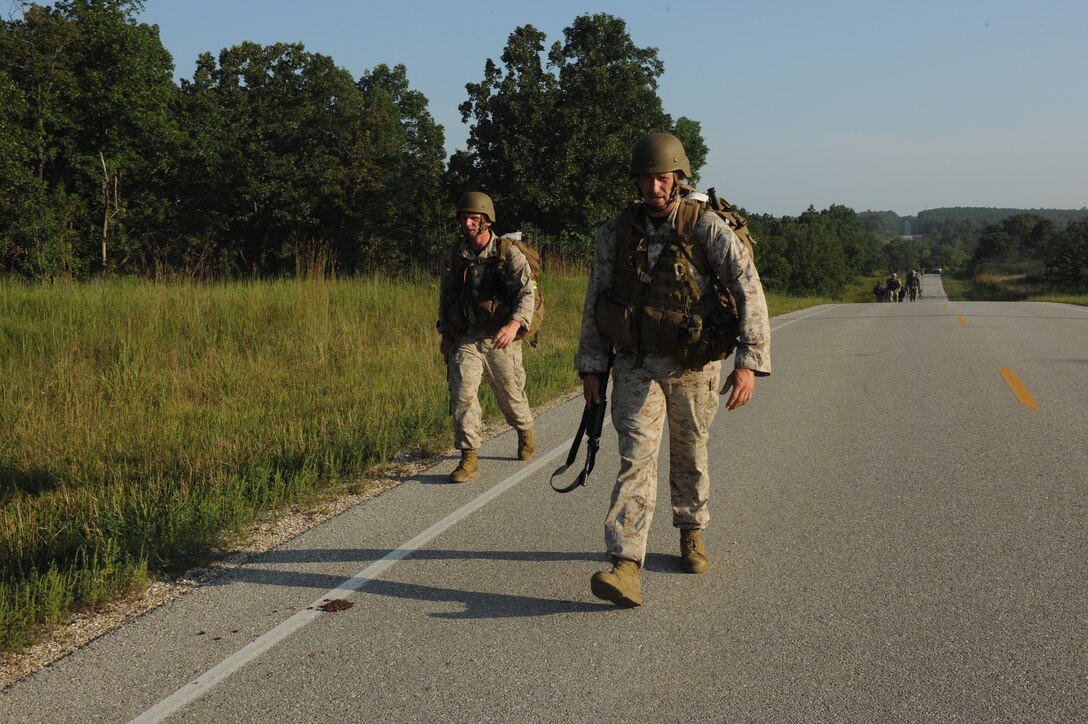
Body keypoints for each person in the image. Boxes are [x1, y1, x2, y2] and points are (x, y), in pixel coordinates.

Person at [574, 133, 772, 607]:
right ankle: (625, 564)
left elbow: (749, 289)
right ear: (637, 182)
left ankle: (691, 529)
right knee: (636, 458)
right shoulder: (615, 233)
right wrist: (592, 367)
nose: (654, 187)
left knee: (690, 451)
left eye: (663, 177)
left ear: (679, 179)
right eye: (646, 178)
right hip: (637, 364)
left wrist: (749, 362)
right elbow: (595, 300)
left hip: (694, 364)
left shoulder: (705, 227)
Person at [437, 192, 535, 483]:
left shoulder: (507, 252)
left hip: (501, 336)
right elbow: (447, 296)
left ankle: (524, 429)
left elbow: (527, 292)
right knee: (463, 393)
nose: (467, 223)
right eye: (464, 217)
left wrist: (514, 325)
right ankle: (468, 457)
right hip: (467, 336)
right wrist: (445, 333)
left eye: (473, 218)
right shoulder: (453, 256)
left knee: (511, 397)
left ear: (486, 221)